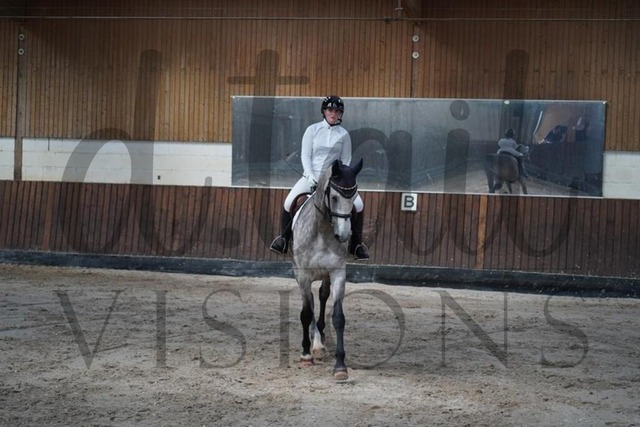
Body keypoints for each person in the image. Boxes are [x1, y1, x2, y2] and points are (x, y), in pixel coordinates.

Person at [269, 95, 370, 260]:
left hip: (335, 179)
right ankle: (284, 239)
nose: (333, 113)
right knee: (288, 202)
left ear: (340, 114)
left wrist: (340, 178)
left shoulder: (344, 135)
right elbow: (305, 155)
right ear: (324, 111)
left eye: (337, 111)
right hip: (312, 175)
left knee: (358, 204)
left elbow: (346, 160)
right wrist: (310, 175)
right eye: (330, 110)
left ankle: (356, 245)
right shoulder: (312, 130)